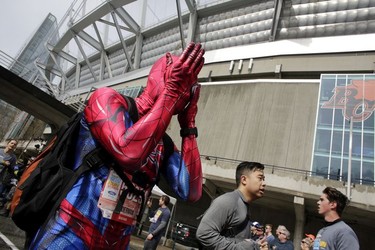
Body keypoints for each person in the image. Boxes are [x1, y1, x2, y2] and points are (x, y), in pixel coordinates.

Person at [28, 42, 205, 249]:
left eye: (189, 86)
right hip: (69, 233)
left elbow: (191, 192)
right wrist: (171, 91)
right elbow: (128, 152)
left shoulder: (163, 145)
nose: (184, 88)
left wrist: (189, 126)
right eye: (180, 75)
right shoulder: (106, 99)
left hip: (118, 242)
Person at [196, 161, 267, 249]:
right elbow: (204, 234)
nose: (264, 183)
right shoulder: (229, 201)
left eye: (263, 179)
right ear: (244, 180)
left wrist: (256, 246)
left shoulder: (243, 204)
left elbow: (238, 240)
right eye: (260, 178)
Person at [0, 139, 18, 204]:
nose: (13, 145)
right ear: (8, 144)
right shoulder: (0, 151)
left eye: (15, 144)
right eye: (12, 143)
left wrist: (17, 171)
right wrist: (3, 162)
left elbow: (15, 167)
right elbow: (3, 162)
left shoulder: (13, 157)